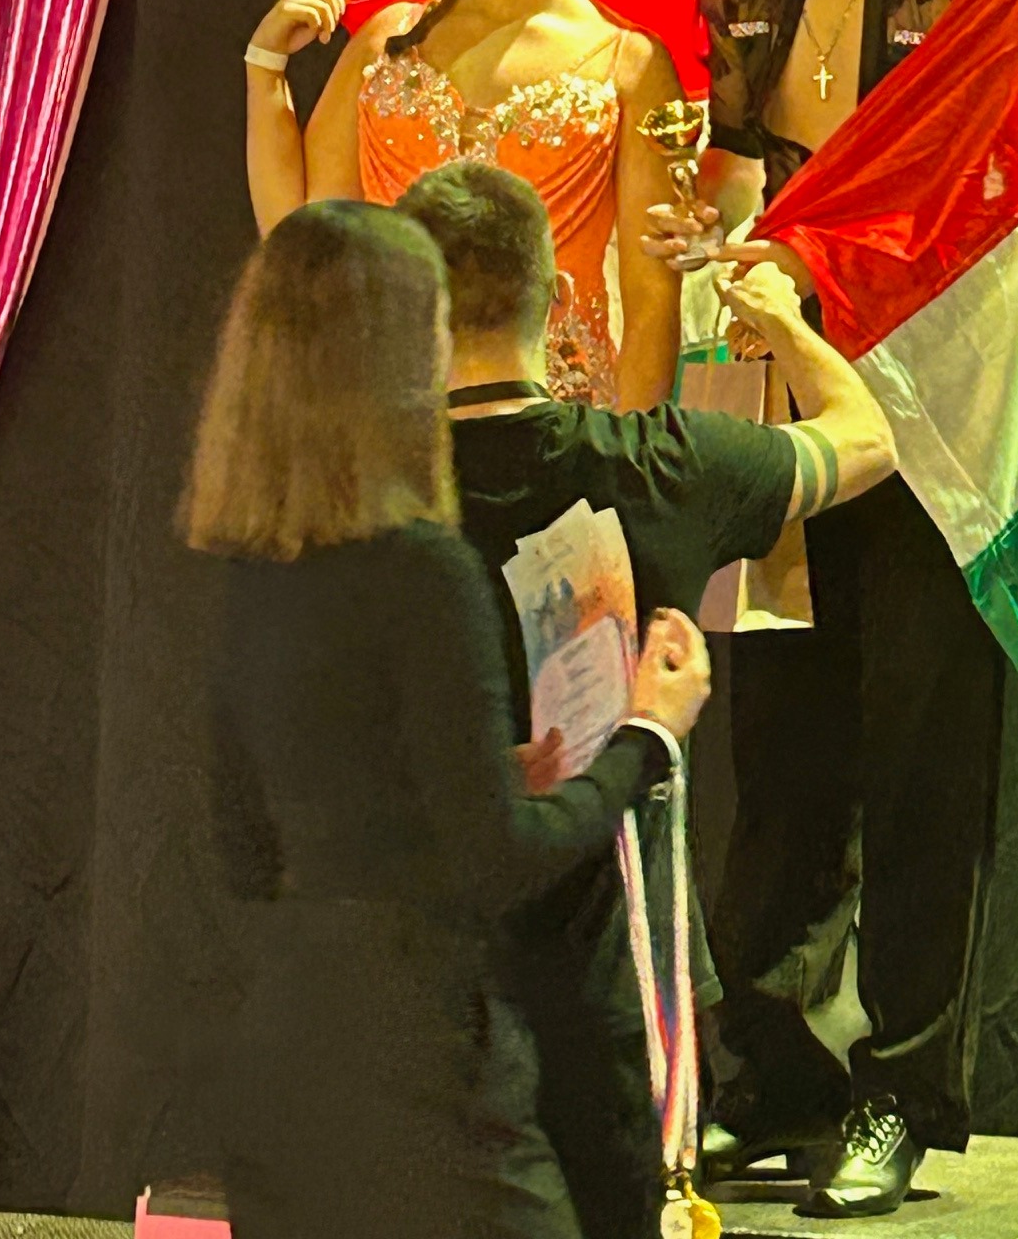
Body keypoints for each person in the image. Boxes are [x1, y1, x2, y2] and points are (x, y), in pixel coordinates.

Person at [643, 0, 1011, 1216]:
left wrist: (804, 260)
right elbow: (739, 164)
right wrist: (703, 238)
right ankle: (775, 1077)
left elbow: (970, 182)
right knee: (782, 742)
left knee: (921, 749)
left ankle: (902, 1093)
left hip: (931, 397)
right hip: (787, 388)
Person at [182, 198, 712, 1239]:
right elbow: (497, 861)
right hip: (422, 1066)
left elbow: (245, 850)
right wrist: (647, 737)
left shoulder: (251, 577)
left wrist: (457, 778)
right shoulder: (422, 571)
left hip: (281, 1064)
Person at [395, 159, 896, 1239]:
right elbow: (866, 440)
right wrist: (779, 319)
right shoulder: (658, 465)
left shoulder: (362, 501)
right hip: (611, 987)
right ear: (557, 298)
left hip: (410, 989)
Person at [242, 0, 684, 409]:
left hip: (554, 414)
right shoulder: (387, 41)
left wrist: (630, 453)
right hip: (389, 401)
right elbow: (304, 239)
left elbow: (653, 301)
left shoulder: (630, 65)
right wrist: (265, 69)